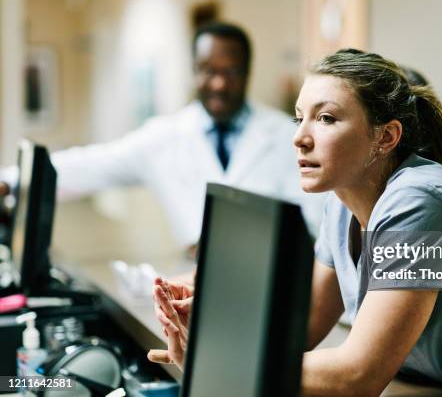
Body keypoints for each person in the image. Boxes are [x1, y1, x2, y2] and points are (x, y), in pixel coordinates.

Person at [148, 49, 442, 396]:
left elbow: (357, 374)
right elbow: (304, 323)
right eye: (299, 117)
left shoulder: (421, 202)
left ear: (386, 137)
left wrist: (223, 358)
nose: (300, 137)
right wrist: (209, 324)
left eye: (325, 119)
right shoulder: (344, 198)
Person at [0, 22, 323, 248]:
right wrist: (12, 179)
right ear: (194, 71)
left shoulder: (285, 135)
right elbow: (90, 165)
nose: (219, 84)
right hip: (193, 286)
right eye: (209, 71)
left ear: (247, 73)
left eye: (231, 72)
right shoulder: (165, 136)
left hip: (274, 284)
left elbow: (314, 225)